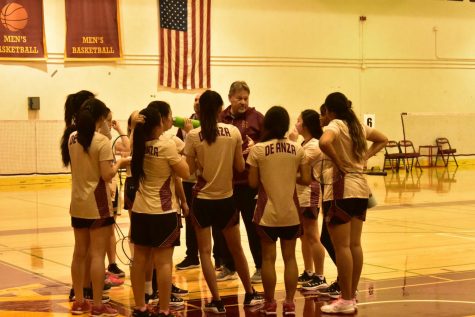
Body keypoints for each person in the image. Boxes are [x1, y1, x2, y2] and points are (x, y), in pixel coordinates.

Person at [184, 90, 263, 314]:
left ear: (200, 110)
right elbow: (239, 168)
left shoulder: (193, 136)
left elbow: (188, 171)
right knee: (237, 249)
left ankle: (216, 301)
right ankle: (249, 294)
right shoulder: (234, 132)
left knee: (205, 253)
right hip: (226, 199)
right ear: (221, 109)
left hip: (202, 200)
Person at [318, 92, 388, 314]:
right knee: (355, 244)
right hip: (361, 189)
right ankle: (351, 294)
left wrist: (339, 162)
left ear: (329, 111)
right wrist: (365, 157)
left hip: (341, 188)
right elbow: (383, 138)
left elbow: (324, 142)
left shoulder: (337, 124)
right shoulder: (357, 125)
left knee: (342, 246)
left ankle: (346, 298)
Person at [61, 98, 129, 316]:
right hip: (97, 204)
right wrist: (121, 163)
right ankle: (98, 304)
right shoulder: (101, 141)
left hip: (77, 203)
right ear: (101, 118)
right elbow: (107, 175)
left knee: (79, 253)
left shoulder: (72, 138)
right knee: (98, 255)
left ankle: (79, 301)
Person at [247, 106, 311, 315]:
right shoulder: (298, 149)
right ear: (285, 125)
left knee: (268, 259)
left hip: (267, 213)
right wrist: (290, 177)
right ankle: (290, 302)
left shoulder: (258, 149)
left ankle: (270, 302)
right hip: (291, 212)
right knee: (290, 258)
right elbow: (306, 179)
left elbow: (252, 182)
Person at [129, 106, 190, 317]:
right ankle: (164, 309)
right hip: (163, 212)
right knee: (163, 263)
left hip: (139, 210)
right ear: (159, 124)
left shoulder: (136, 145)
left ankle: (140, 306)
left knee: (139, 260)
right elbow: (185, 171)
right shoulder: (166, 146)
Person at [217, 80, 263, 283]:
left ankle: (260, 267)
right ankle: (229, 266)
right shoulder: (221, 118)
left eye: (246, 98)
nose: (243, 102)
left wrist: (257, 146)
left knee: (253, 227)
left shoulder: (257, 118)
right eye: (239, 98)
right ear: (230, 98)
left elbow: (271, 141)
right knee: (226, 227)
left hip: (249, 183)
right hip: (226, 182)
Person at [288, 110, 328, 292]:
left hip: (309, 193)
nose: (295, 124)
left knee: (312, 235)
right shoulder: (305, 144)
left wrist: (291, 143)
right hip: (299, 194)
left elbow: (292, 164)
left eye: (298, 120)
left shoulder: (314, 145)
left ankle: (320, 276)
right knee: (304, 236)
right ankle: (309, 271)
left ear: (305, 125)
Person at [175, 93, 202, 270]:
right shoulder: (186, 122)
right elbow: (180, 149)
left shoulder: (215, 124)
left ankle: (220, 259)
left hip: (205, 178)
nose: (197, 103)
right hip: (188, 177)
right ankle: (192, 255)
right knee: (190, 219)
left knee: (209, 222)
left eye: (200, 100)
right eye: (195, 99)